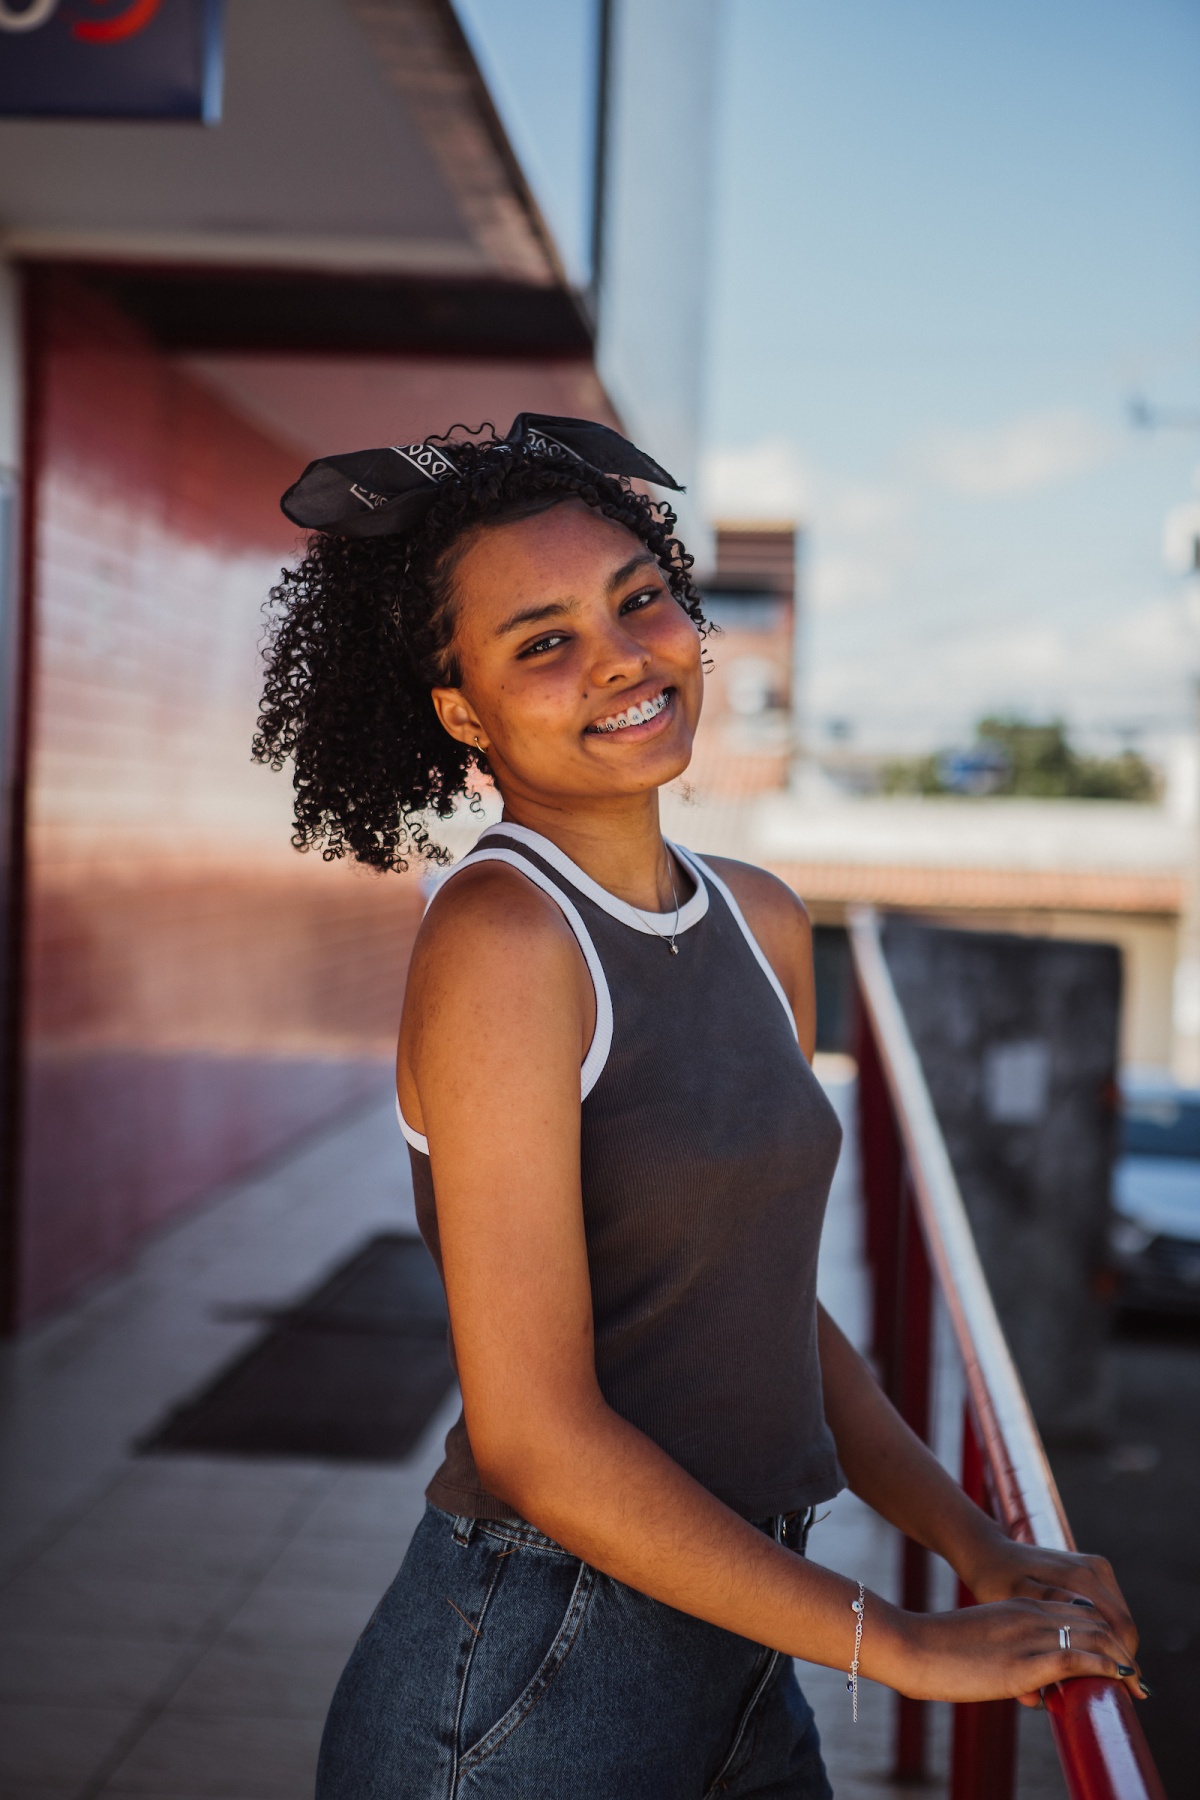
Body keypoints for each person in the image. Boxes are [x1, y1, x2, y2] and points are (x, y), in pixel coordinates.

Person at [255, 417, 1143, 1800]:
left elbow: (764, 1301)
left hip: (742, 1623)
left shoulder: (761, 920)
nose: (620, 657)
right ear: (462, 713)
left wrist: (974, 1540)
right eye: (541, 641)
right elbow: (536, 1438)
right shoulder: (506, 942)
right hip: (541, 1675)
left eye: (639, 599)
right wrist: (900, 1643)